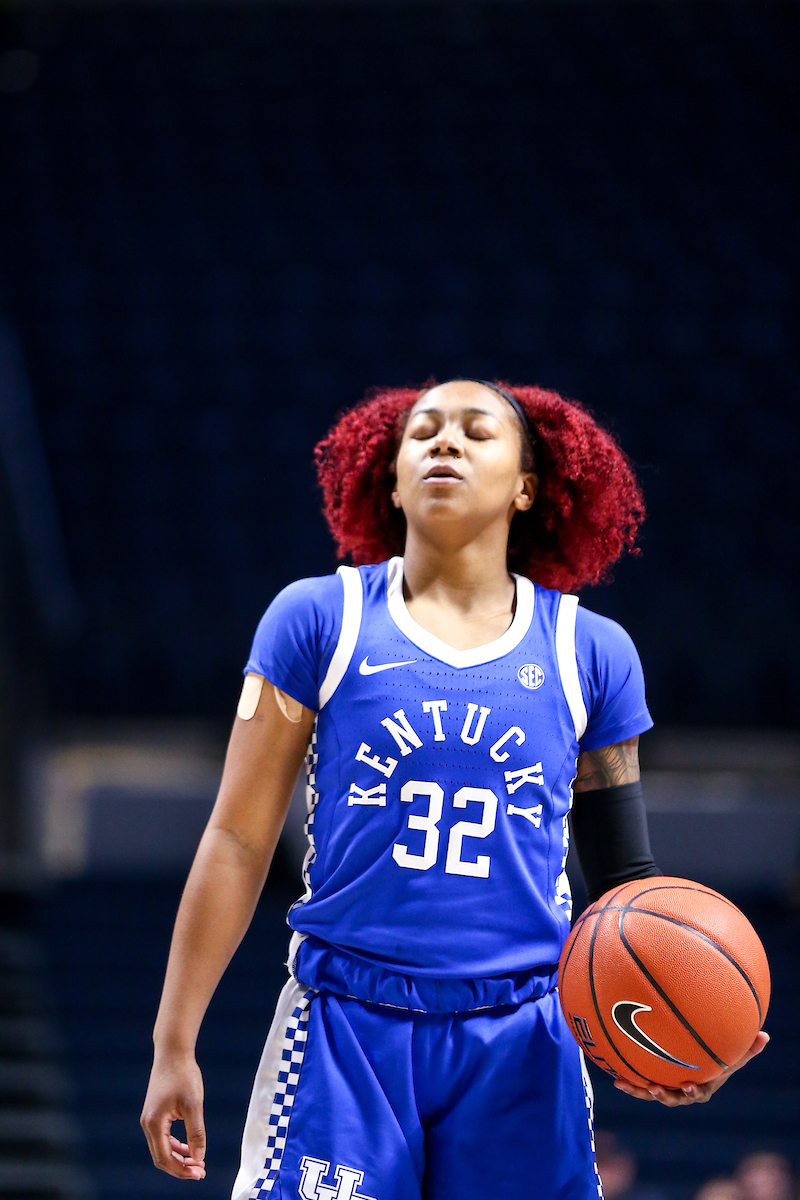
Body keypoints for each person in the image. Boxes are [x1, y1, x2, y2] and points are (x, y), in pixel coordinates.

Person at [141, 380, 768, 1199]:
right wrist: (174, 1042)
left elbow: (627, 887)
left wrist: (679, 1036)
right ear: (393, 482)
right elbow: (237, 839)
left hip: (522, 1037)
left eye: (477, 431)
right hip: (346, 1027)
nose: (446, 442)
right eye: (424, 432)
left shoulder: (591, 652)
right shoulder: (319, 619)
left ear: (527, 486)